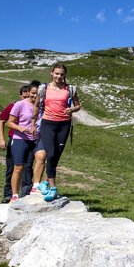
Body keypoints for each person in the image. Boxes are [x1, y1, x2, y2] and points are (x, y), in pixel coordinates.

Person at [34, 63, 81, 202]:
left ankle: (45, 183)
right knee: (51, 153)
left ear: (64, 75)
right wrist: (32, 123)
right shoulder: (44, 88)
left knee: (56, 157)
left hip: (64, 125)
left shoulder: (70, 89)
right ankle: (53, 188)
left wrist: (72, 109)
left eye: (61, 74)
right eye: (57, 73)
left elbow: (78, 105)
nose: (59, 76)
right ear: (51, 73)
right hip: (48, 123)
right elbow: (36, 106)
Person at [0, 85, 32, 203]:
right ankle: (8, 194)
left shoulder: (34, 107)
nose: (26, 98)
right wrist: (1, 138)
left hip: (29, 139)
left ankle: (26, 193)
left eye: (28, 95)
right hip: (14, 139)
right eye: (24, 96)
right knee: (12, 166)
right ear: (20, 95)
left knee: (27, 167)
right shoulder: (13, 105)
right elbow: (1, 121)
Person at [6, 84, 40, 203]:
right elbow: (9, 122)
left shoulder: (42, 105)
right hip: (20, 138)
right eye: (33, 93)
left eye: (38, 93)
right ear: (28, 92)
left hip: (35, 139)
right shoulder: (20, 104)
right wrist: (21, 128)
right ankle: (14, 195)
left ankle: (30, 192)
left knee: (32, 166)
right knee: (18, 167)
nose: (35, 96)